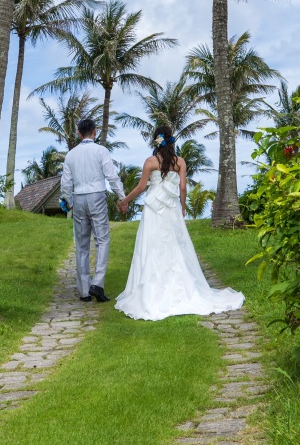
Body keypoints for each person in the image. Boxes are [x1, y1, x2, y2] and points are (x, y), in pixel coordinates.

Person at [114, 123, 244, 321]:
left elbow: (141, 188)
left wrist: (124, 201)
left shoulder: (150, 162)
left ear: (156, 141)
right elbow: (183, 187)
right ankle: (181, 286)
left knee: (152, 246)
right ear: (171, 140)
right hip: (171, 208)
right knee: (175, 246)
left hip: (153, 209)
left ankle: (151, 289)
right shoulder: (180, 162)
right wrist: (182, 206)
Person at [60, 116, 126, 303]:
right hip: (97, 195)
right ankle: (97, 283)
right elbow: (111, 176)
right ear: (95, 132)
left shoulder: (70, 154)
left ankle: (84, 291)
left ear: (79, 134)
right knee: (102, 240)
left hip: (79, 198)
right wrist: (122, 197)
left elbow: (66, 182)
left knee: (81, 244)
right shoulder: (101, 151)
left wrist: (68, 200)